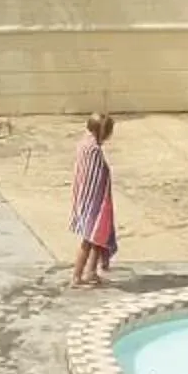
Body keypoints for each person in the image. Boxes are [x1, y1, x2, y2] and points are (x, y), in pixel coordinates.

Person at [70, 112, 118, 286]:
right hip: (93, 202)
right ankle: (77, 275)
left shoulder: (84, 143)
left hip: (96, 201)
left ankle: (91, 271)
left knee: (100, 237)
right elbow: (93, 176)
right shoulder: (93, 150)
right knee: (89, 239)